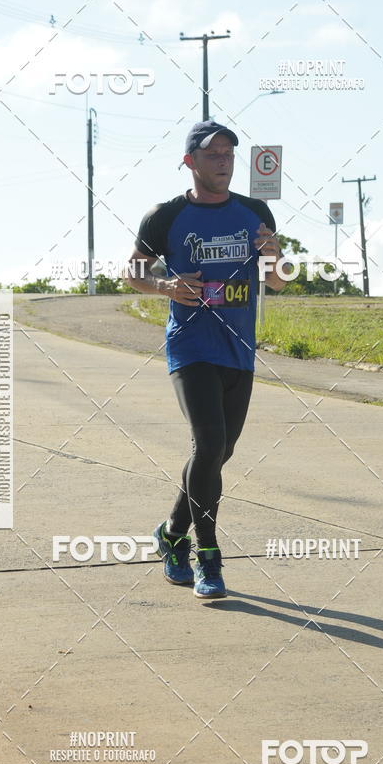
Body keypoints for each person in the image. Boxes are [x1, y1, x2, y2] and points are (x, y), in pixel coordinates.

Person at [125, 120, 290, 599]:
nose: (223, 161)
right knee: (210, 441)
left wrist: (275, 256)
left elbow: (277, 281)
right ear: (190, 161)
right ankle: (208, 557)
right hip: (191, 346)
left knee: (218, 453)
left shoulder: (254, 212)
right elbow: (133, 272)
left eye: (228, 154)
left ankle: (171, 533)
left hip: (238, 349)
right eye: (212, 154)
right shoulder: (166, 216)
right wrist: (164, 286)